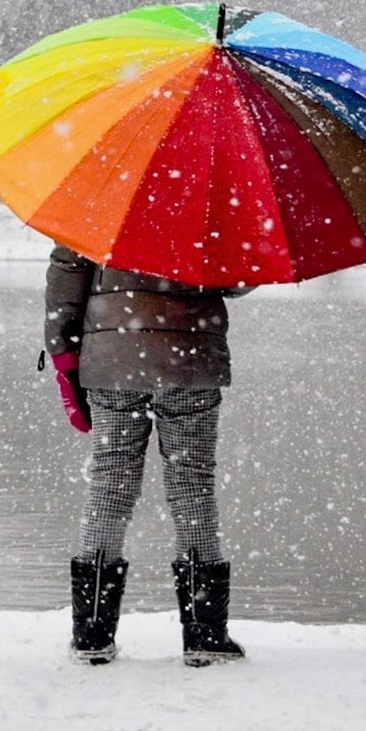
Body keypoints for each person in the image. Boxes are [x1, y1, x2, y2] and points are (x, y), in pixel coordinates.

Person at [42, 242, 248, 667]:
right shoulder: (212, 196)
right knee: (192, 487)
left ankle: (92, 632)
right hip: (190, 358)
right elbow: (236, 277)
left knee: (110, 485)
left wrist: (64, 354)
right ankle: (205, 634)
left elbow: (66, 275)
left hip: (114, 357)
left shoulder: (96, 200)